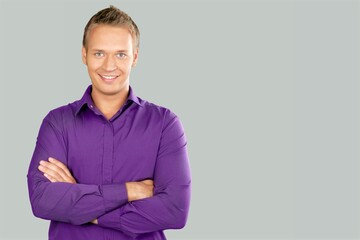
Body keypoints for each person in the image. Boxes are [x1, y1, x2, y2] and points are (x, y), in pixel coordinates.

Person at [27, 5, 191, 240]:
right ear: (84, 55)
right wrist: (129, 191)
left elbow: (175, 211)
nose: (109, 66)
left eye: (121, 54)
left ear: (135, 57)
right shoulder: (57, 123)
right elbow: (42, 200)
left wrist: (82, 204)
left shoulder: (165, 124)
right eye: (99, 53)